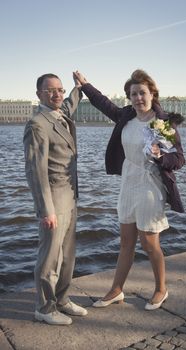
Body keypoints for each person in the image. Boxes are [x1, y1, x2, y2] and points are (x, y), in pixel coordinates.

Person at [74, 69, 185, 310]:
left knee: (149, 242)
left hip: (150, 185)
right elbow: (104, 104)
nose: (138, 98)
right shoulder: (126, 116)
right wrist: (85, 86)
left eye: (142, 93)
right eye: (133, 94)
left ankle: (160, 289)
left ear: (152, 93)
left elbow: (179, 159)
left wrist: (160, 157)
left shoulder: (163, 123)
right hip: (128, 182)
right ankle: (116, 290)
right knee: (125, 241)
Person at [23, 72, 88, 325]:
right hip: (53, 199)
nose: (57, 94)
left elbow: (70, 103)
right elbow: (35, 171)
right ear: (39, 94)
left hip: (70, 197)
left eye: (60, 90)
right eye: (51, 90)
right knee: (50, 255)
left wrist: (77, 88)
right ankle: (44, 307)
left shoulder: (61, 114)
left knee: (68, 254)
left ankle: (61, 299)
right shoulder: (37, 124)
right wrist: (45, 210)